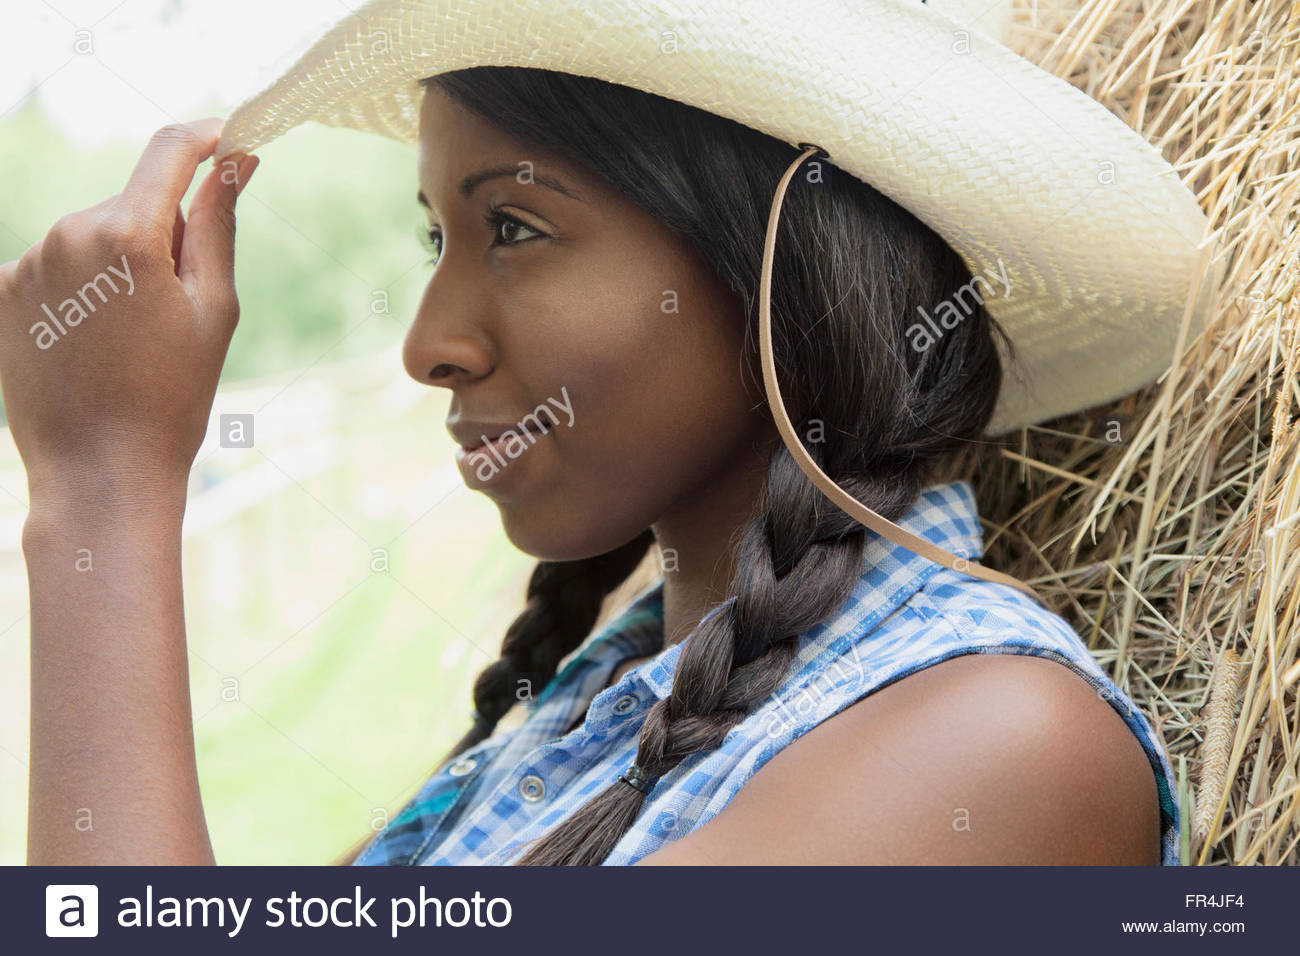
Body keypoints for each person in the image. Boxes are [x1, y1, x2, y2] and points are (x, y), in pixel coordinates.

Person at [7, 0, 1207, 866]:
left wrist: (101, 490)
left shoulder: (996, 750)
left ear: (786, 264)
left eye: (515, 228)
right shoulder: (610, 706)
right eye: (436, 238)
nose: (426, 340)